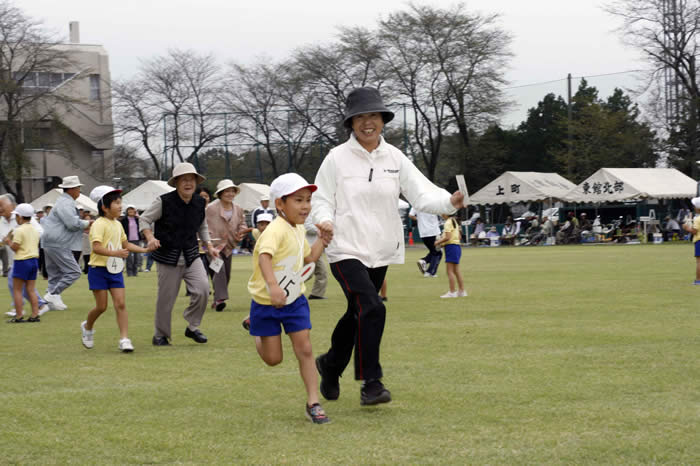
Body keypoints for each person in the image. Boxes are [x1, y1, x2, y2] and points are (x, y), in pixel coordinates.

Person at [312, 87, 464, 406]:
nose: (368, 122)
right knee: (372, 306)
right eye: (360, 117)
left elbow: (422, 193)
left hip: (381, 248)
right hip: (344, 247)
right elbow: (321, 198)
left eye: (374, 116)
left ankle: (330, 364)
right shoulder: (336, 158)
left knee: (358, 312)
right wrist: (324, 220)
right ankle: (372, 382)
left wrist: (449, 201)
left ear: (383, 120)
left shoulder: (395, 157)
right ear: (351, 123)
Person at [246, 173, 332, 424]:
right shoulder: (275, 229)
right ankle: (253, 325)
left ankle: (313, 402)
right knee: (274, 360)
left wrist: (323, 242)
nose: (305, 206)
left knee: (305, 349)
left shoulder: (298, 229)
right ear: (280, 204)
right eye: (298, 200)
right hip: (266, 303)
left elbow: (308, 259)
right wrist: (273, 287)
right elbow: (264, 256)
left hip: (294, 300)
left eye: (308, 200)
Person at [139, 162, 219, 346]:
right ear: (176, 183)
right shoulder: (163, 201)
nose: (188, 183)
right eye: (184, 180)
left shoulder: (200, 202)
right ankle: (160, 334)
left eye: (191, 180)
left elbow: (202, 225)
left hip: (191, 254)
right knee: (166, 299)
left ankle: (192, 327)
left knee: (203, 290)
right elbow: (144, 219)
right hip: (168, 256)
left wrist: (209, 246)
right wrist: (150, 237)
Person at [81, 186, 152, 352]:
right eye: (116, 203)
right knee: (101, 307)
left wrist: (145, 250)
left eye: (121, 202)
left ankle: (124, 339)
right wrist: (116, 253)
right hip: (98, 270)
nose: (121, 206)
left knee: (120, 304)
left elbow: (125, 244)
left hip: (115, 270)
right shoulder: (98, 224)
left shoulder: (118, 224)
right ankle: (87, 326)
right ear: (104, 207)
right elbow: (96, 248)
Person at [41, 176, 92, 310]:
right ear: (72, 189)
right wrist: (88, 223)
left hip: (50, 241)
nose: (79, 191)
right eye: (78, 188)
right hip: (58, 242)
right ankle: (52, 295)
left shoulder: (62, 202)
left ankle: (51, 301)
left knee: (55, 274)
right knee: (74, 272)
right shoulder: (66, 203)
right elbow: (71, 224)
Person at [0, 195, 49, 317]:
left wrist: (13, 239)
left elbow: (40, 233)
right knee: (27, 287)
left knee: (18, 285)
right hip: (26, 259)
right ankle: (33, 310)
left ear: (12, 206)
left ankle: (22, 310)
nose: (0, 208)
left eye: (1, 205)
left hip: (21, 259)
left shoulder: (22, 224)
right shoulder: (2, 222)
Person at [205, 179, 250, 312]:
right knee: (219, 270)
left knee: (227, 274)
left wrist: (241, 232)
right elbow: (201, 225)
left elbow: (242, 224)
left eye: (232, 191)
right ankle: (220, 300)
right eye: (226, 191)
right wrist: (207, 242)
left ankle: (216, 299)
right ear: (220, 193)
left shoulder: (238, 209)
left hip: (230, 246)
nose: (230, 194)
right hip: (213, 246)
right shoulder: (210, 208)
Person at [6, 203, 41, 323]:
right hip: (34, 261)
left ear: (20, 217)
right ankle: (35, 314)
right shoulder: (35, 230)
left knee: (17, 290)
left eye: (16, 216)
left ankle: (19, 316)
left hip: (22, 261)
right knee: (31, 289)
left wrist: (8, 241)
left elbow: (15, 247)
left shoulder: (19, 230)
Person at [241, 212, 273, 332]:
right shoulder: (257, 233)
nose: (264, 227)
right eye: (261, 224)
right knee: (262, 294)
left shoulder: (276, 234)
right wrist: (240, 233)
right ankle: (252, 318)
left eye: (267, 224)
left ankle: (252, 318)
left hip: (275, 268)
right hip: (261, 270)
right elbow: (251, 229)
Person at [435, 214, 466, 298]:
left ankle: (452, 292)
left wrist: (438, 242)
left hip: (451, 247)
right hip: (457, 247)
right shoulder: (454, 221)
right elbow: (459, 236)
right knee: (456, 271)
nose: (441, 214)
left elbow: (448, 237)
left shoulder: (448, 222)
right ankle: (461, 291)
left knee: (449, 271)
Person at [409, 207, 442, 277]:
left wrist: (420, 220)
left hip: (423, 233)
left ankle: (424, 261)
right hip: (433, 231)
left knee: (434, 251)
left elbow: (411, 215)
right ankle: (430, 272)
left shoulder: (416, 203)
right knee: (437, 252)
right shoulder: (433, 202)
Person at [304, 211, 328, 299]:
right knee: (308, 273)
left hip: (316, 247)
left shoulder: (318, 213)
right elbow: (306, 227)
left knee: (322, 272)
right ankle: (291, 286)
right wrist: (320, 229)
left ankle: (316, 294)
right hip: (309, 248)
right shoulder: (306, 213)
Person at [120, 205, 142, 277]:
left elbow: (144, 222)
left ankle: (135, 272)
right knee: (129, 258)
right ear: (127, 211)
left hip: (136, 240)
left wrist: (138, 217)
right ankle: (129, 272)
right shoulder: (124, 220)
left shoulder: (137, 219)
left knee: (136, 257)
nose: (131, 211)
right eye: (129, 210)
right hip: (128, 240)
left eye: (132, 210)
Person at [682, 197, 700, 284]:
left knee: (699, 262)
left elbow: (695, 231)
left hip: (699, 241)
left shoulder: (697, 219)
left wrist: (686, 228)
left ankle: (698, 280)